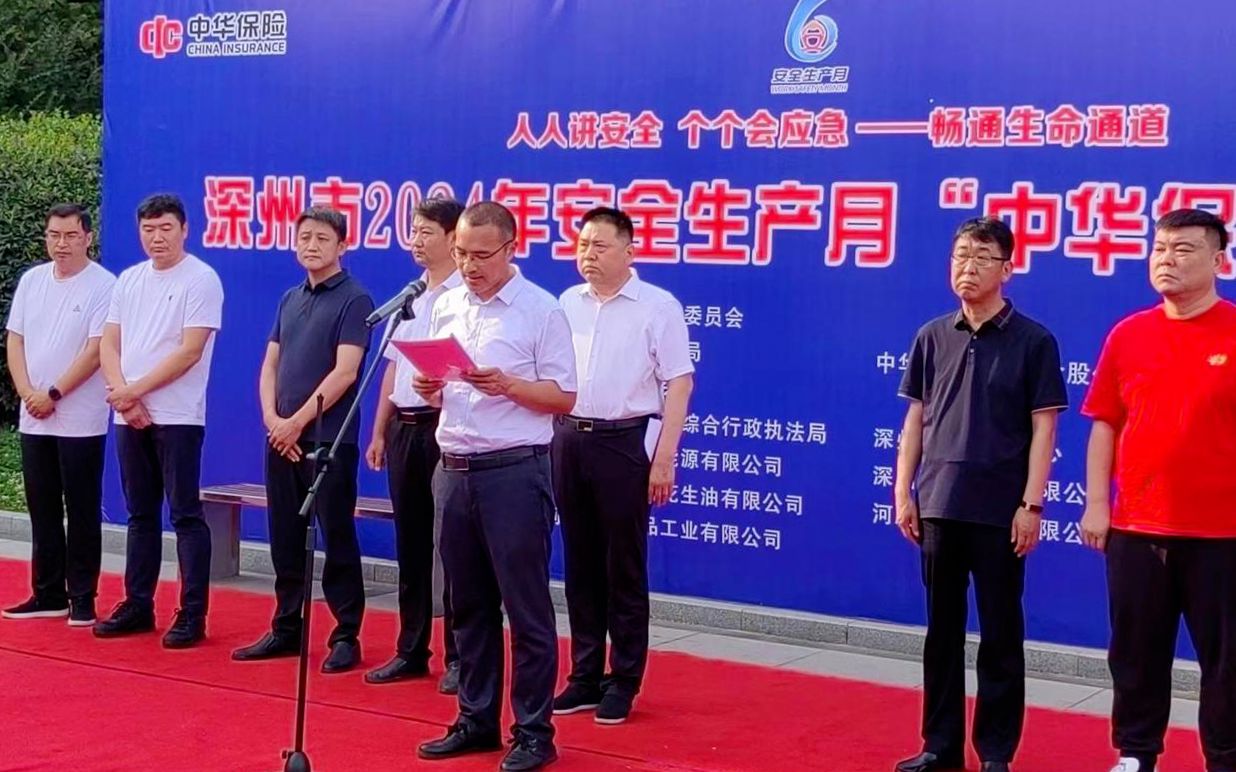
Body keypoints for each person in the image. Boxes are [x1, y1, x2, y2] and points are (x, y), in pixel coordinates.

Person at [893, 217, 1067, 772]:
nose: (968, 267)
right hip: (939, 504)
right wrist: (904, 492)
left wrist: (1032, 504)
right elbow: (915, 421)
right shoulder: (932, 335)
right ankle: (940, 747)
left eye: (982, 257)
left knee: (1000, 634)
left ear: (1007, 269)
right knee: (940, 633)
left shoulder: (1034, 341)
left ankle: (995, 752)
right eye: (961, 256)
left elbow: (1044, 428)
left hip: (1000, 510)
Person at [414, 202, 576, 772]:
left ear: (511, 248)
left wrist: (508, 385)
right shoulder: (447, 304)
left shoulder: (541, 310)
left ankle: (533, 731)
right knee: (467, 605)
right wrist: (430, 387)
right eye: (461, 253)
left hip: (514, 471)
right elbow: (441, 388)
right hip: (454, 467)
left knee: (525, 608)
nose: (469, 265)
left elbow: (563, 396)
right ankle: (475, 719)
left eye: (481, 255)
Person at [1080, 208, 1236, 772]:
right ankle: (1136, 754)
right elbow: (1106, 423)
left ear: (1219, 261)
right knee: (1136, 653)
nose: (1166, 259)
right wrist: (1098, 503)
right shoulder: (1129, 334)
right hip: (1137, 527)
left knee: (1228, 661)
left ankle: (1226, 757)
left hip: (1223, 533)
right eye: (1160, 248)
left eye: (1183, 249)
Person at [550, 206, 694, 724]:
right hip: (569, 439)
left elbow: (679, 382)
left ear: (629, 252)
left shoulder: (657, 306)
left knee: (623, 566)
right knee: (580, 563)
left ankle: (624, 679)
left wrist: (664, 458)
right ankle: (584, 674)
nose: (587, 254)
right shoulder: (567, 302)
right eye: (582, 244)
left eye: (600, 246)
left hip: (625, 442)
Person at [232, 206, 374, 674]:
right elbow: (270, 365)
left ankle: (346, 634)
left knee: (336, 536)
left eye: (322, 239)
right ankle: (287, 627)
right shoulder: (290, 298)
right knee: (285, 537)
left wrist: (297, 422)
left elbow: (345, 373)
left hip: (329, 440)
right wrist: (274, 420)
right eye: (305, 237)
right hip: (283, 438)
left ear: (342, 246)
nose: (311, 246)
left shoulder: (355, 299)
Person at [94, 193, 225, 648]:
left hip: (178, 416)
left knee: (185, 513)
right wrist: (123, 396)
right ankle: (138, 604)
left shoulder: (201, 279)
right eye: (148, 230)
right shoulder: (129, 279)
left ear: (184, 229)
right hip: (129, 415)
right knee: (140, 514)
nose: (157, 238)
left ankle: (192, 614)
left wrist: (133, 392)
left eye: (166, 228)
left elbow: (190, 351)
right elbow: (108, 344)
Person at [364, 197, 464, 691]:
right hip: (404, 427)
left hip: (447, 427)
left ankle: (460, 656)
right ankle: (411, 649)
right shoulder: (410, 296)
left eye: (427, 232)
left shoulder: (466, 297)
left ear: (453, 237)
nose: (417, 241)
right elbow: (391, 368)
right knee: (411, 543)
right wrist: (379, 429)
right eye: (414, 231)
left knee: (454, 547)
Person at [2, 204, 115, 627]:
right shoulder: (32, 280)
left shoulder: (104, 285)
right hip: (34, 414)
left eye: (70, 236)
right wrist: (27, 393)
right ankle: (47, 593)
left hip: (80, 418)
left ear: (88, 237)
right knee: (42, 504)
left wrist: (53, 393)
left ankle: (82, 596)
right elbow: (15, 340)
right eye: (54, 235)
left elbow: (95, 350)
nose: (61, 244)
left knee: (81, 506)